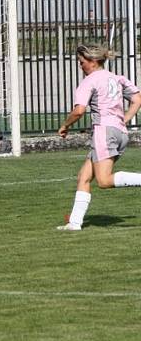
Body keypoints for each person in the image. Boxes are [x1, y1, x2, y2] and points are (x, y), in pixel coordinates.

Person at [57, 44, 141, 231]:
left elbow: (79, 111)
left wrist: (65, 125)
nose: (80, 66)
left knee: (103, 181)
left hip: (104, 131)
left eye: (81, 62)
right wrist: (124, 119)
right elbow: (137, 99)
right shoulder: (116, 78)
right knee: (83, 177)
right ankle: (74, 223)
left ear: (93, 61)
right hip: (120, 132)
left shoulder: (89, 81)